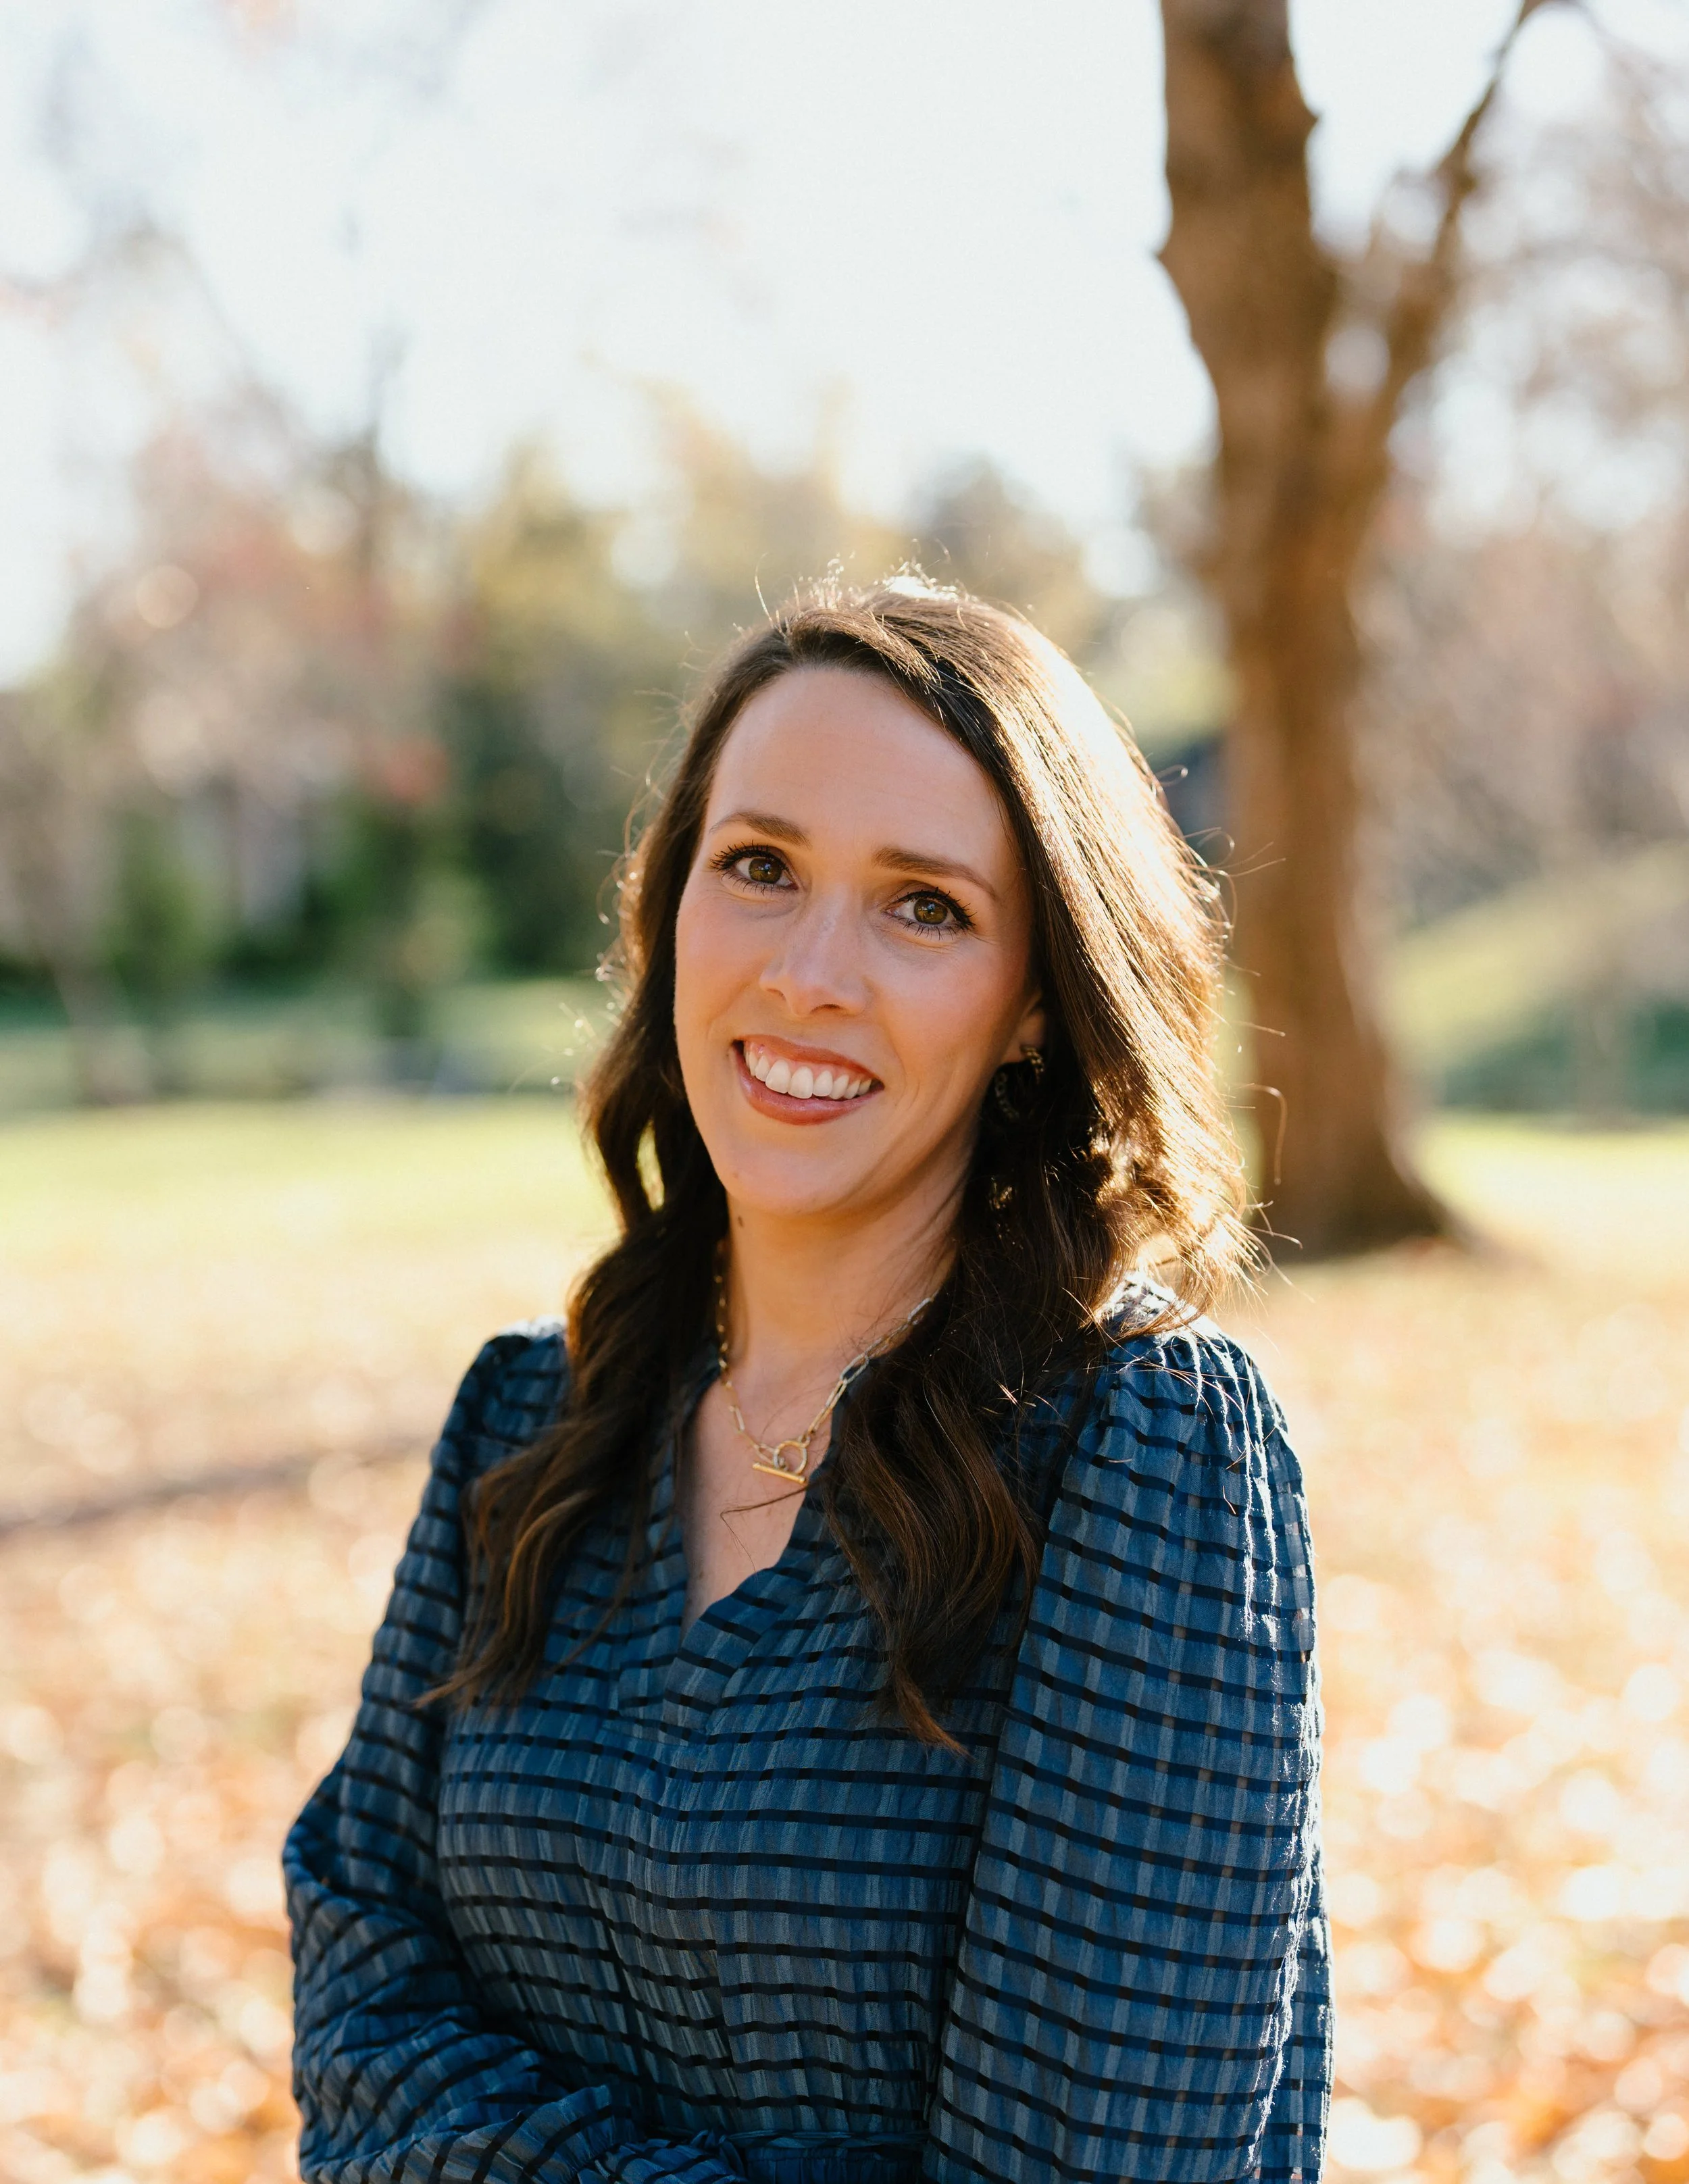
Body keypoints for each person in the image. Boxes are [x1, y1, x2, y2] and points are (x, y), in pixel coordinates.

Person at [284, 578, 1330, 2184]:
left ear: (1036, 1001)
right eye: (758, 867)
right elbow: (355, 2012)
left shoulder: (1143, 1454)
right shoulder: (522, 1429)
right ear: (671, 909)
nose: (807, 973)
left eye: (924, 905)